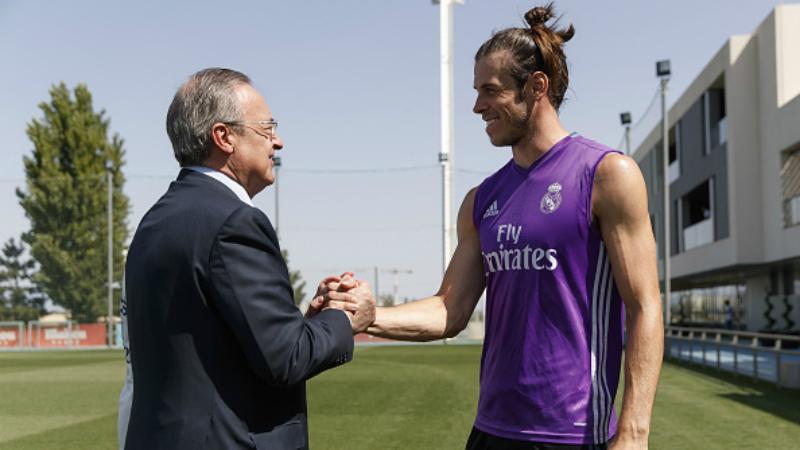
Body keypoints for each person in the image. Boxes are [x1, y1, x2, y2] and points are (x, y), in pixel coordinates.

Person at [324, 4, 663, 449]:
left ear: (536, 87)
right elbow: (450, 309)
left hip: (572, 435)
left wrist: (634, 432)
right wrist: (368, 317)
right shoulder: (481, 200)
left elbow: (644, 307)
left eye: (490, 90)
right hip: (490, 432)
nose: (477, 105)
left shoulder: (606, 174)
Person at [120, 68, 375, 450]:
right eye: (267, 129)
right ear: (224, 137)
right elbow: (285, 358)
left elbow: (218, 342)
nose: (278, 142)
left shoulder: (157, 220)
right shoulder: (234, 221)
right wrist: (347, 317)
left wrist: (306, 323)